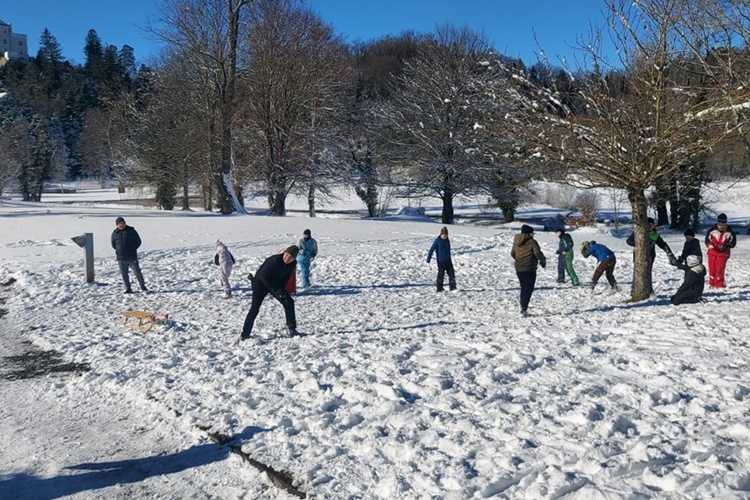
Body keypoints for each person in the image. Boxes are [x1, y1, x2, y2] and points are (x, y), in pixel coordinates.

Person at [241, 245, 300, 340]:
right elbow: (263, 277)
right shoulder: (273, 260)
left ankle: (291, 328)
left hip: (274, 284)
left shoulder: (293, 264)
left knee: (289, 301)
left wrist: (282, 290)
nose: (287, 258)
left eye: (290, 257)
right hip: (260, 283)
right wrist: (275, 289)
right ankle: (245, 334)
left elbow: (285, 278)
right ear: (284, 253)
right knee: (254, 309)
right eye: (286, 255)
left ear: (294, 259)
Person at [626, 218, 677, 292]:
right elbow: (628, 241)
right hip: (638, 256)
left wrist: (669, 253)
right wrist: (638, 244)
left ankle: (648, 289)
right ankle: (635, 289)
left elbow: (663, 244)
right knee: (638, 272)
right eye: (648, 224)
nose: (650, 226)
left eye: (651, 224)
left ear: (654, 225)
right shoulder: (638, 232)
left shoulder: (655, 235)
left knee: (647, 272)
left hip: (650, 256)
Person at [511, 224, 546, 316]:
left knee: (523, 287)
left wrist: (519, 260)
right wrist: (542, 261)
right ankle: (524, 308)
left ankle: (523, 305)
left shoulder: (516, 242)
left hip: (519, 268)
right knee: (528, 288)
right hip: (529, 268)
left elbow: (512, 254)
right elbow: (537, 253)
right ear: (529, 233)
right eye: (532, 233)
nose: (533, 235)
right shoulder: (532, 242)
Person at [111, 216, 147, 294]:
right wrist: (118, 250)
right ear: (117, 225)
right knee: (124, 274)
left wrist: (132, 249)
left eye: (122, 223)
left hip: (131, 256)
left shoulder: (131, 231)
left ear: (125, 223)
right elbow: (113, 244)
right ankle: (128, 288)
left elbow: (138, 241)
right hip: (121, 258)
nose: (121, 225)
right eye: (119, 224)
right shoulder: (115, 233)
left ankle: (143, 286)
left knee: (137, 272)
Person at [704, 213, 737, 288]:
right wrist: (710, 245)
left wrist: (727, 245)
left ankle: (720, 284)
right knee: (712, 269)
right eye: (720, 222)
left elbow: (733, 242)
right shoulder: (712, 230)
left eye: (723, 222)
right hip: (712, 252)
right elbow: (707, 240)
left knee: (720, 269)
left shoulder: (729, 231)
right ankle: (712, 283)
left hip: (723, 254)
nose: (721, 224)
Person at [426, 226, 456, 292]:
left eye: (446, 235)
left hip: (448, 260)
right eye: (443, 235)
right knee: (441, 274)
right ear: (441, 234)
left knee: (451, 273)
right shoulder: (438, 241)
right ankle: (439, 288)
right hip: (441, 261)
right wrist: (428, 259)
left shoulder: (447, 240)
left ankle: (453, 287)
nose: (444, 236)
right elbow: (431, 250)